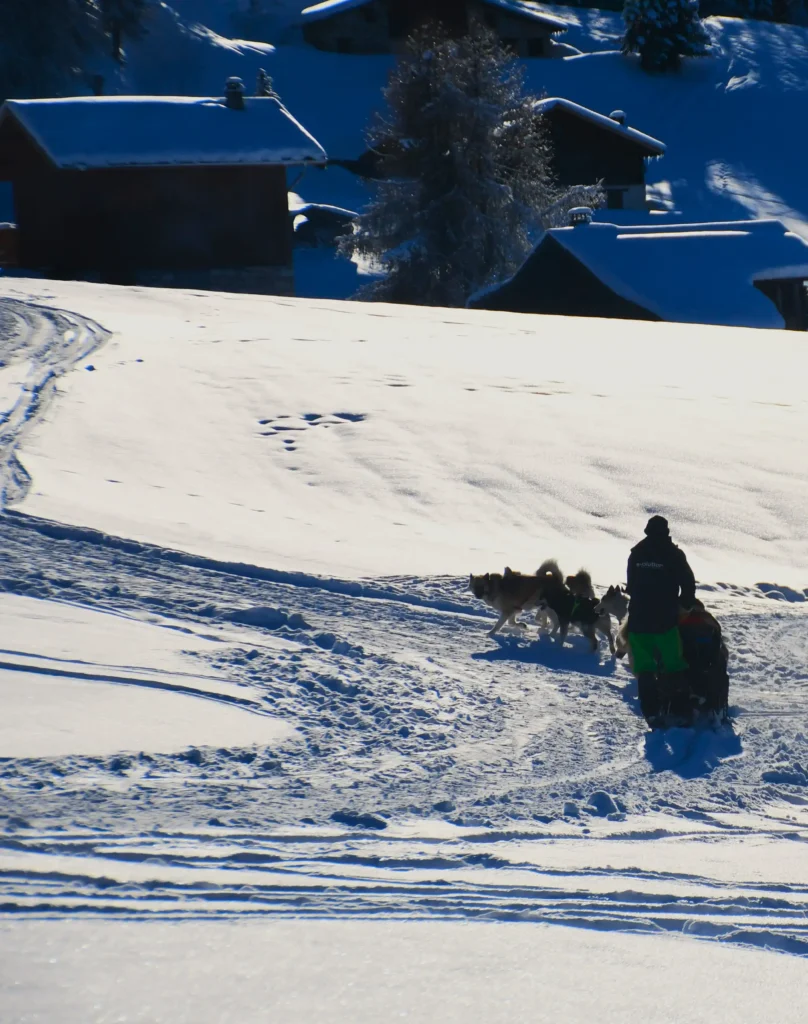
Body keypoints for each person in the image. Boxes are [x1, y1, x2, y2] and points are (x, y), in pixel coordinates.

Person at [626, 515, 696, 718]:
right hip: (665, 621)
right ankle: (679, 711)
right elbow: (688, 584)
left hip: (638, 620)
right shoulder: (674, 554)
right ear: (666, 532)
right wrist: (686, 604)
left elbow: (630, 585)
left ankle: (651, 712)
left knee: (645, 668)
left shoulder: (636, 553)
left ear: (646, 531)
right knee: (673, 664)